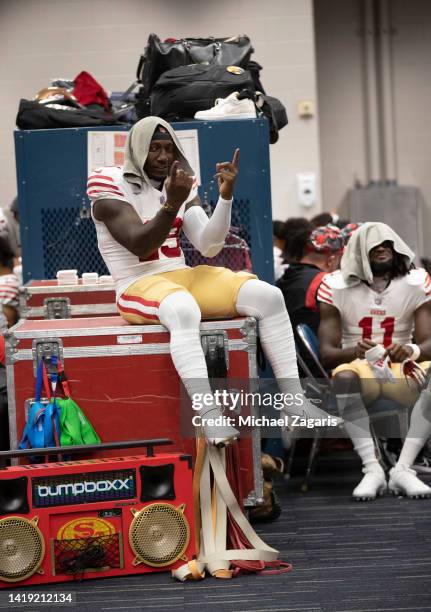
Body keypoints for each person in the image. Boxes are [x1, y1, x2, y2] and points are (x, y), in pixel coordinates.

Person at [87, 116, 341, 446]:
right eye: (154, 149)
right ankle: (209, 416)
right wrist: (172, 203)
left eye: (168, 148)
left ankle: (295, 403)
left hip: (182, 275)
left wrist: (225, 197)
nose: (164, 157)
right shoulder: (109, 182)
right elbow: (140, 244)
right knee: (182, 309)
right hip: (137, 282)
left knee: (268, 296)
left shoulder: (178, 182)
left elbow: (209, 245)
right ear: (137, 150)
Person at [318, 222, 431, 499]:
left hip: (403, 366)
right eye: (373, 246)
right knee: (343, 378)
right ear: (358, 252)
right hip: (360, 366)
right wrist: (355, 351)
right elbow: (328, 354)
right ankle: (372, 469)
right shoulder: (334, 284)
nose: (382, 249)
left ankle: (403, 468)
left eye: (387, 244)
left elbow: (429, 342)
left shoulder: (416, 281)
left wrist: (412, 350)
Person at [277, 225, 344, 374]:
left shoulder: (286, 277)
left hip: (292, 366)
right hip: (322, 368)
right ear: (332, 260)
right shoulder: (327, 282)